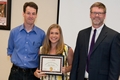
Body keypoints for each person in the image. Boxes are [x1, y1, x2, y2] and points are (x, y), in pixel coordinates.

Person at [70, 2, 120, 80]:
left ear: (104, 16)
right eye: (94, 13)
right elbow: (76, 60)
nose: (97, 15)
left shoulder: (113, 36)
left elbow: (115, 65)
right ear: (90, 15)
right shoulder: (82, 34)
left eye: (100, 13)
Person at [7, 2, 45, 80]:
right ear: (23, 14)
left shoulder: (41, 34)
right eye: (28, 13)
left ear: (36, 15)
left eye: (33, 14)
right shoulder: (14, 32)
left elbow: (43, 54)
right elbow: (10, 51)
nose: (31, 16)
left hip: (33, 74)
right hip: (16, 73)